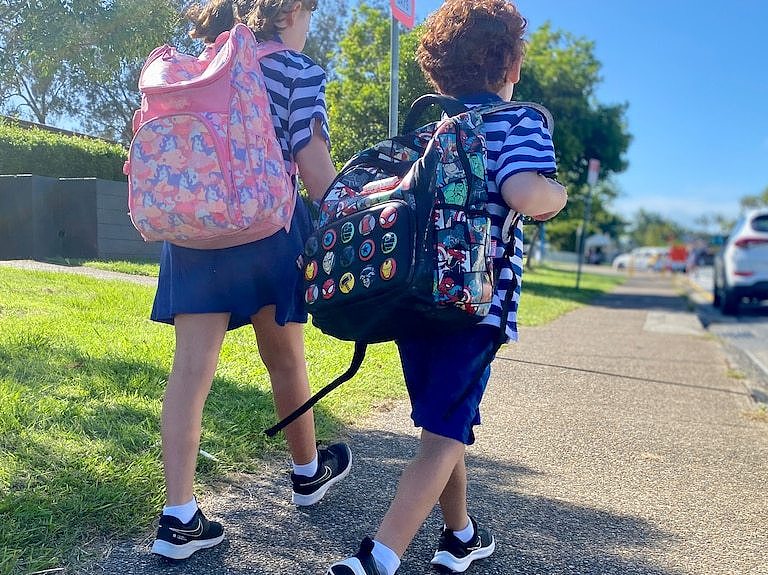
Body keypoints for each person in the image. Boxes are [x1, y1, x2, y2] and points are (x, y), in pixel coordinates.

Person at [328, 1, 567, 574]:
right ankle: (378, 557)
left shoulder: (428, 127)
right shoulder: (519, 122)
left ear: (440, 69)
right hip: (475, 302)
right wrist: (557, 197)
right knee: (444, 431)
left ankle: (460, 535)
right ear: (510, 64)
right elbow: (525, 194)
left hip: (411, 299)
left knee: (442, 423)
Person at [149, 0, 351, 561]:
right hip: (267, 230)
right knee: (285, 359)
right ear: (290, 12)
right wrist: (348, 213)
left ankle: (179, 516)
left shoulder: (207, 61)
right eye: (309, 14)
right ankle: (307, 473)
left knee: (190, 372)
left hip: (194, 231)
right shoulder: (296, 70)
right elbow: (312, 164)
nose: (310, 26)